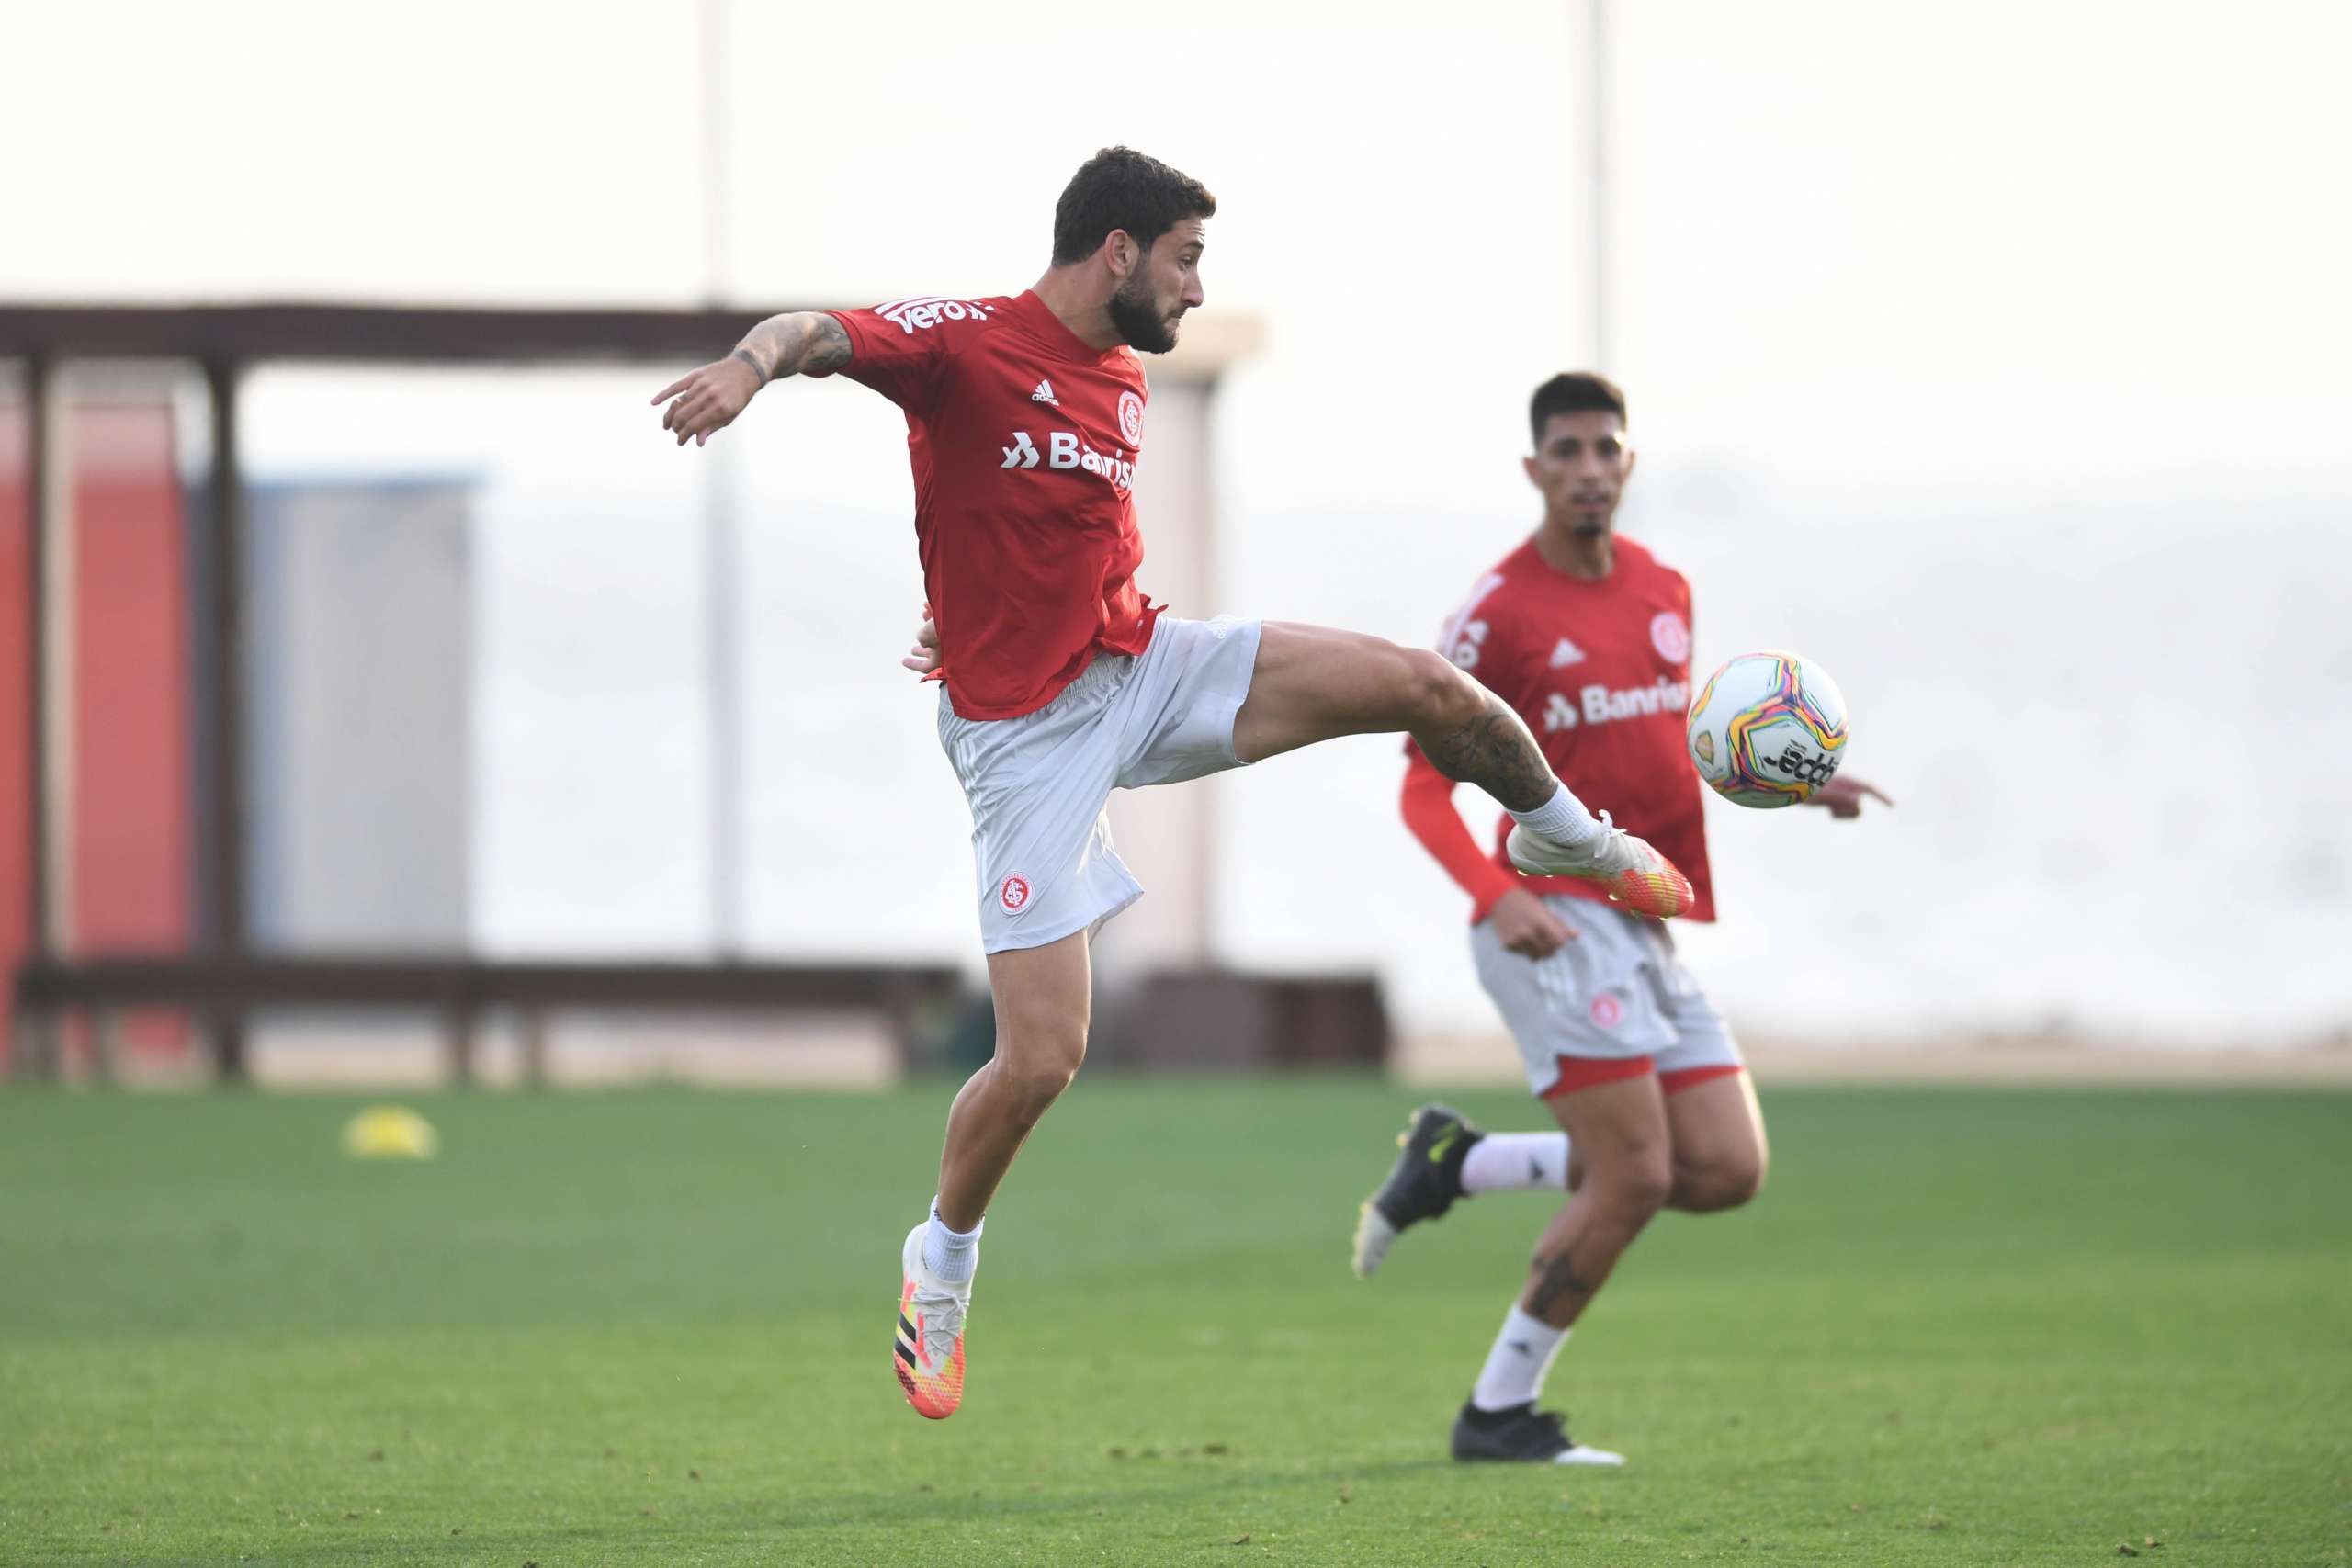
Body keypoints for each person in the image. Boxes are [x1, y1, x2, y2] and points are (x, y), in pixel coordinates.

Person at [651, 149, 1695, 1422]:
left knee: (1428, 685)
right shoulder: (966, 340)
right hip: (1026, 741)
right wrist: (748, 369)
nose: (1198, 289)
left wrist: (970, 605)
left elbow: (1042, 532)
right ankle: (942, 1259)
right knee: (1043, 1057)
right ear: (1119, 251)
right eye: (1189, 259)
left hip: (1144, 665)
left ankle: (1571, 838)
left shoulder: (1125, 375)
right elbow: (816, 327)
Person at [1354, 372, 1888, 1465]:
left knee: (1726, 1169)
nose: (1590, 469)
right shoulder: (1497, 614)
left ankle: (1461, 1164)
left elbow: (1682, 745)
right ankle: (1496, 1415)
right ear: (1534, 470)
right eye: (1568, 451)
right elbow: (1421, 783)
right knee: (1637, 1175)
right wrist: (1494, 896)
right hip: (1547, 914)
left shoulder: (1663, 590)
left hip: (1641, 916)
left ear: (1628, 463)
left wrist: (1796, 781)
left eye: (1607, 449)